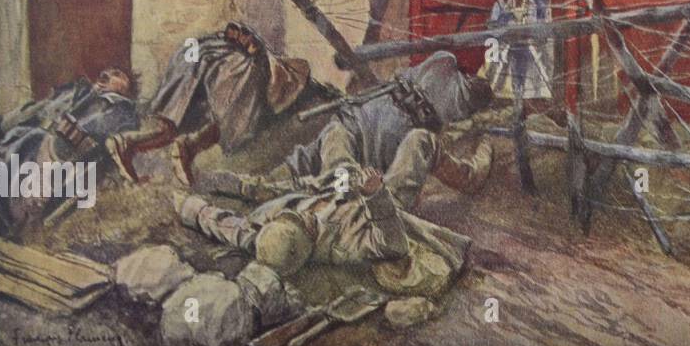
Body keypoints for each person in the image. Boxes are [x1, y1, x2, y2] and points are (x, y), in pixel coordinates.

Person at [202, 51, 495, 212]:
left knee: (342, 163)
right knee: (333, 144)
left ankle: (270, 190)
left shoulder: (453, 88)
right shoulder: (443, 68)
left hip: (376, 169)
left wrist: (484, 148)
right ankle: (262, 187)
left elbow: (467, 177)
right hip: (364, 126)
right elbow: (467, 177)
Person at [173, 162, 471, 299]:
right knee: (420, 141)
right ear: (304, 238)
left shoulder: (265, 237)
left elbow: (227, 227)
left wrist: (189, 208)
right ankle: (470, 171)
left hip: (338, 176)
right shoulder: (345, 245)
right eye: (296, 220)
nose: (294, 215)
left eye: (285, 218)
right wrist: (376, 194)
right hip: (384, 195)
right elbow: (393, 244)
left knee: (337, 132)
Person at [106, 22, 311, 186]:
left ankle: (128, 143)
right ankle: (186, 147)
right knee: (231, 119)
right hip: (214, 65)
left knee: (176, 125)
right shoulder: (260, 70)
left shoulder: (256, 61)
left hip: (199, 59)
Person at [0, 69, 139, 236]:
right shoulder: (83, 92)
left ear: (126, 88)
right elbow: (44, 110)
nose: (107, 74)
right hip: (47, 142)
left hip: (69, 158)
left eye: (117, 74)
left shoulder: (123, 111)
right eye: (107, 72)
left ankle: (17, 228)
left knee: (34, 197)